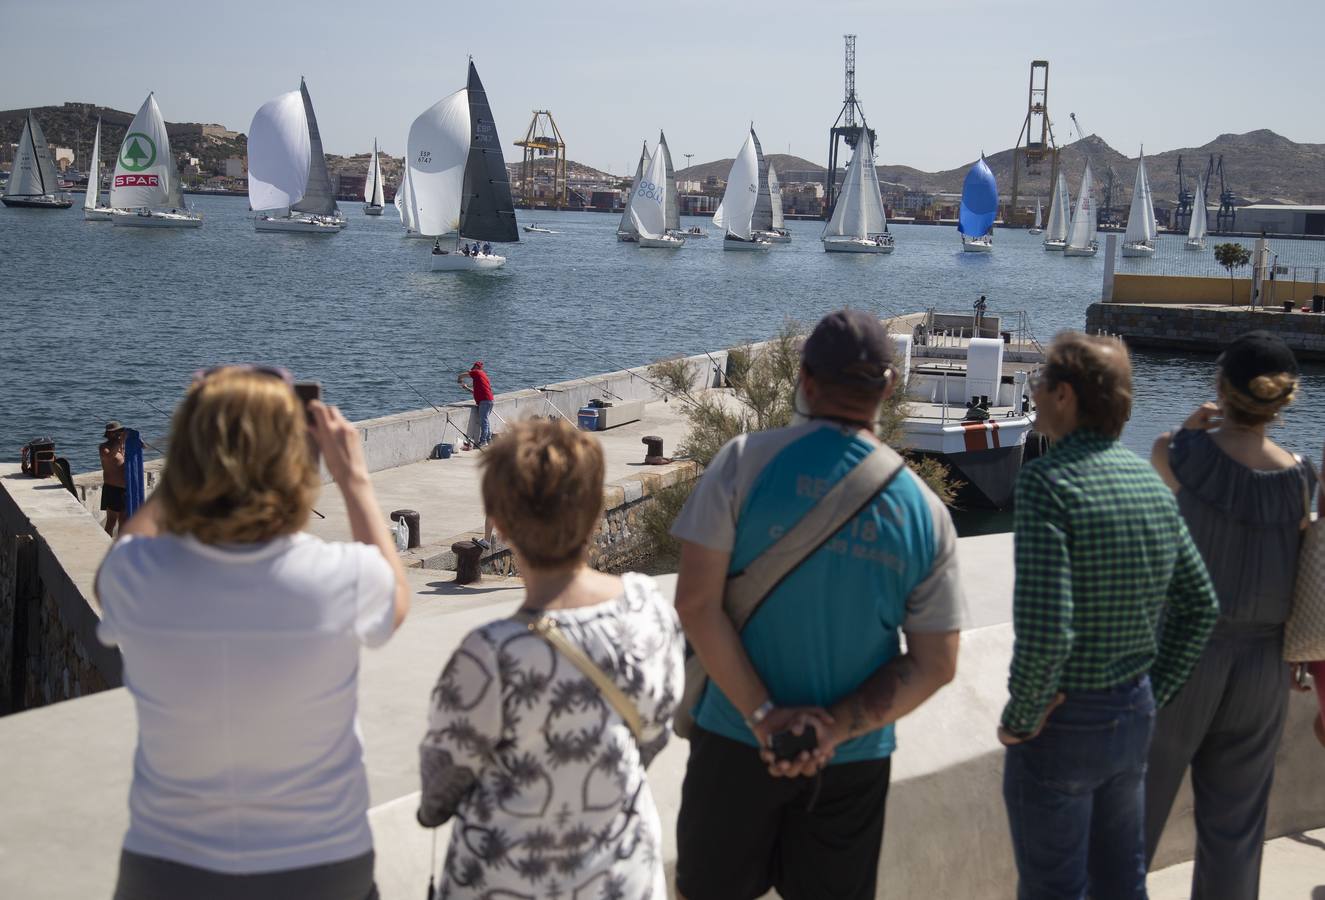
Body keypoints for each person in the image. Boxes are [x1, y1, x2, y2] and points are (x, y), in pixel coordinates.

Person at [670, 309, 966, 900]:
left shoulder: (741, 463)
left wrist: (764, 718)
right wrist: (831, 730)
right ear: (888, 387)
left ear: (805, 380)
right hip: (853, 759)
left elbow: (697, 605)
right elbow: (937, 664)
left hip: (734, 737)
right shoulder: (923, 509)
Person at [95, 366, 411, 899]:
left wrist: (186, 464)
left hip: (167, 868)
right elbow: (396, 596)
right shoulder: (340, 577)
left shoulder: (139, 576)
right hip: (323, 867)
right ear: (296, 459)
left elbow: (117, 561)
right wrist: (353, 476)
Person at [418, 419, 684, 898]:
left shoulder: (489, 655)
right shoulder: (649, 609)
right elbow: (656, 728)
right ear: (595, 513)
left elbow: (441, 788)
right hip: (622, 878)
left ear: (498, 523)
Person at [999, 332, 1219, 900]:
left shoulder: (1047, 483)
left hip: (1064, 721)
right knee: (1123, 880)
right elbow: (1199, 605)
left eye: (1041, 382)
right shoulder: (1148, 482)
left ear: (1066, 396)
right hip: (1133, 710)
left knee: (1054, 886)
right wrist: (1155, 688)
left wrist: (1022, 716)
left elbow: (1047, 626)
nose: (1036, 391)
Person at [1144, 331, 1318, 898]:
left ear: (1221, 387)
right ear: (1285, 402)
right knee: (1236, 830)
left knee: (1134, 811)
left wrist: (1199, 425)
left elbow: (1169, 464)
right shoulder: (1300, 477)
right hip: (1264, 665)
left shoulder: (1182, 452)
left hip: (1181, 655)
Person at [99, 421, 127, 536]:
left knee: (124, 521)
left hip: (124, 489)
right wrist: (119, 442)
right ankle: (105, 546)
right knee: (111, 521)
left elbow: (143, 447)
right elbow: (109, 457)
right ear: (109, 434)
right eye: (116, 433)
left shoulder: (121, 447)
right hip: (112, 489)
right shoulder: (104, 447)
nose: (119, 435)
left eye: (120, 432)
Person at [457, 361, 494, 447]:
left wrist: (459, 378)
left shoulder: (477, 372)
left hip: (484, 401)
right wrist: (466, 388)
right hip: (489, 400)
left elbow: (463, 375)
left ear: (476, 367)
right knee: (486, 421)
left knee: (484, 421)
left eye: (474, 366)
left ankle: (483, 441)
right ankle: (488, 440)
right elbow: (476, 392)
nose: (472, 368)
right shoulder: (482, 376)